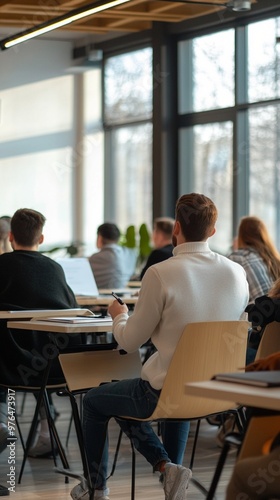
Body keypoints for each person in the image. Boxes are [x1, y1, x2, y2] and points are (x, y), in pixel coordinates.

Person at [71, 192, 249, 500]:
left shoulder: (160, 273)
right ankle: (170, 473)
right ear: (214, 230)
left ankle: (96, 488)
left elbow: (128, 342)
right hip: (220, 391)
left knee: (95, 400)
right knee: (157, 392)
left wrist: (120, 315)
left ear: (176, 227)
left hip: (166, 392)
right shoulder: (237, 272)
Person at [0, 208, 80, 459]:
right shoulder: (55, 269)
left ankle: (1, 423)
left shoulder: (2, 265)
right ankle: (47, 434)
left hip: (9, 364)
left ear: (10, 236)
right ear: (41, 239)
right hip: (54, 366)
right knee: (38, 351)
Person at [228, 216, 280, 304]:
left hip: (258, 313)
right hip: (273, 313)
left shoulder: (238, 257)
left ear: (241, 236)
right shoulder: (272, 258)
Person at [88, 223, 137, 289]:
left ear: (100, 237)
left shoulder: (95, 258)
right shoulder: (130, 254)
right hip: (125, 296)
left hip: (102, 297)